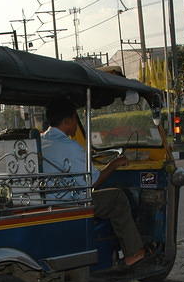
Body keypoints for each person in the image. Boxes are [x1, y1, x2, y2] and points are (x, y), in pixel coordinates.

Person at [40, 99, 147, 267]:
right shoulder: (69, 146)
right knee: (117, 197)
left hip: (48, 201)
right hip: (69, 203)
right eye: (76, 119)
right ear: (68, 120)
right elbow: (93, 181)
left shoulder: (41, 141)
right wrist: (114, 164)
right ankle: (134, 253)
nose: (76, 124)